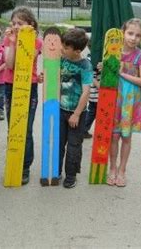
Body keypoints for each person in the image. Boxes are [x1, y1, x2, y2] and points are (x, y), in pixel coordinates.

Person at [107, 18, 141, 187]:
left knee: (126, 137)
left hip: (130, 103)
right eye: (130, 33)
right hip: (114, 100)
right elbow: (103, 79)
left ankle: (122, 170)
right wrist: (105, 69)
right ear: (122, 32)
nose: (133, 38)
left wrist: (122, 73)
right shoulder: (112, 52)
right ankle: (112, 168)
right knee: (114, 136)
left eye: (138, 35)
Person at [4, 6, 43, 185]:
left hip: (29, 86)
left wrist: (22, 39)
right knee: (13, 127)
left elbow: (25, 61)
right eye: (13, 23)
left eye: (20, 23)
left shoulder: (36, 41)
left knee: (25, 129)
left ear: (31, 24)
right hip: (10, 86)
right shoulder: (8, 39)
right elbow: (10, 64)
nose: (16, 26)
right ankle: (14, 162)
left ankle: (25, 167)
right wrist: (12, 42)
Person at [59, 28, 93, 188]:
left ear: (77, 50)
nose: (62, 49)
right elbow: (55, 77)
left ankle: (71, 175)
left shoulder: (85, 65)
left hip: (76, 114)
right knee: (58, 143)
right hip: (60, 110)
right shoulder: (62, 60)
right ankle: (55, 171)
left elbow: (86, 91)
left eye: (66, 48)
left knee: (73, 145)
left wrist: (77, 114)